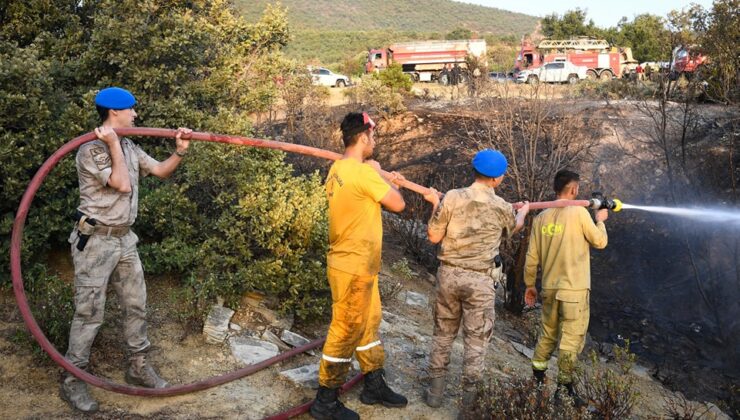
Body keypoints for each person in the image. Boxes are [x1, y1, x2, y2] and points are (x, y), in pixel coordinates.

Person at [61, 87, 192, 413]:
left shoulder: (130, 145)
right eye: (131, 110)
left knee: (136, 305)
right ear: (114, 113)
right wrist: (112, 144)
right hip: (96, 241)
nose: (136, 115)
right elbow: (121, 183)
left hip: (124, 239)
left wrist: (179, 151)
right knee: (89, 314)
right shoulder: (92, 151)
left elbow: (160, 171)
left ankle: (137, 366)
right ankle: (73, 380)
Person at [311, 112, 408, 420]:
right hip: (353, 266)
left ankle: (373, 383)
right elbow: (399, 204)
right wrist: (379, 174)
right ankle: (325, 401)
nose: (375, 142)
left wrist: (374, 172)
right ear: (364, 137)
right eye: (374, 137)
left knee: (369, 322)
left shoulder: (338, 168)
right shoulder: (363, 173)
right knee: (345, 330)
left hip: (357, 265)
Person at [422, 149, 530, 408]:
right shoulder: (503, 207)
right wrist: (523, 212)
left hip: (448, 275)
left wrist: (435, 204)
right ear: (497, 179)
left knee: (443, 334)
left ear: (475, 170)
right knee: (476, 341)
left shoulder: (452, 198)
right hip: (479, 281)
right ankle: (467, 405)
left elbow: (434, 237)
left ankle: (435, 395)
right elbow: (514, 227)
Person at [523, 169, 608, 405]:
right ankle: (564, 390)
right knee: (571, 340)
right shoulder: (580, 213)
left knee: (547, 336)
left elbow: (531, 258)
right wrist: (600, 221)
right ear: (574, 189)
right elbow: (600, 242)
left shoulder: (541, 218)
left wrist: (530, 285)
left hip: (549, 289)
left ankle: (538, 379)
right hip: (574, 290)